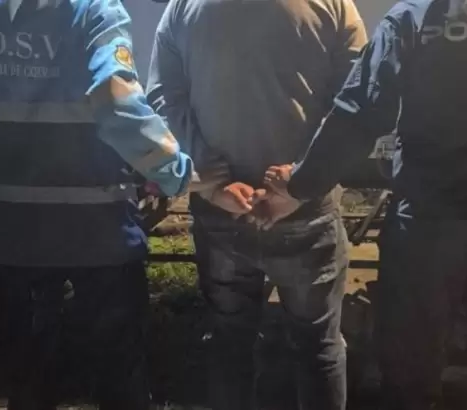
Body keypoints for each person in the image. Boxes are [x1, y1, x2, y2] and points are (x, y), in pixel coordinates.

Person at [266, 0, 467, 409]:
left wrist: (301, 184)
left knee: (410, 373)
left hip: (427, 226)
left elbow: (360, 110)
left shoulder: (412, 17)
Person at [0, 0, 208, 408]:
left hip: (8, 234)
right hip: (100, 235)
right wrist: (176, 171)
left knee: (28, 380)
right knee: (119, 380)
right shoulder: (95, 12)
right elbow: (117, 103)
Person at [146, 0, 367, 409]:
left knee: (229, 342)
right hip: (305, 211)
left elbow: (163, 96)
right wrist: (301, 181)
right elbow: (357, 98)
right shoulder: (335, 6)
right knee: (317, 347)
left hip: (222, 210)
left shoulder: (182, 8)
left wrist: (212, 182)